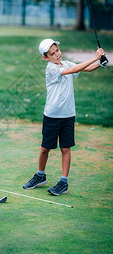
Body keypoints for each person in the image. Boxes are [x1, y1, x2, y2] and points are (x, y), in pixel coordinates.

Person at [23, 39, 104, 196]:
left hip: (68, 115)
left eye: (57, 50)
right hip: (52, 115)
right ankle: (40, 175)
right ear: (45, 57)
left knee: (65, 148)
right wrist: (95, 57)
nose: (57, 54)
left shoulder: (65, 64)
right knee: (45, 148)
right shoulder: (51, 69)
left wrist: (100, 63)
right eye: (52, 54)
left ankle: (63, 182)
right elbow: (75, 70)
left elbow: (85, 69)